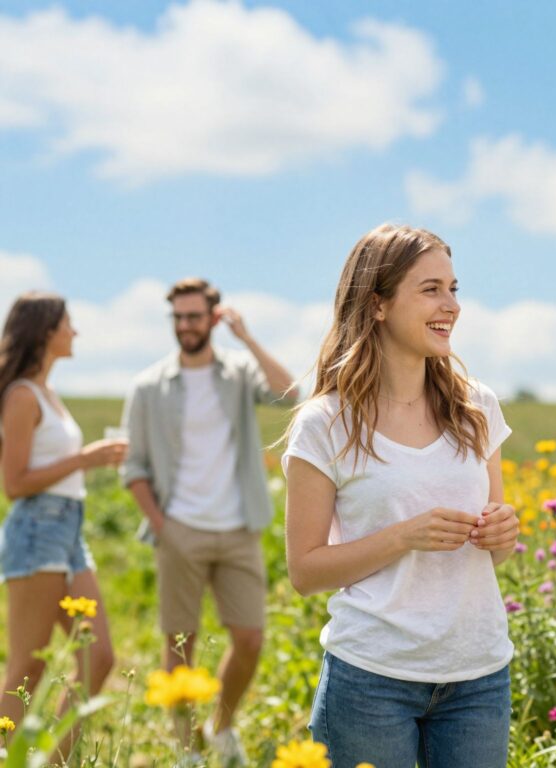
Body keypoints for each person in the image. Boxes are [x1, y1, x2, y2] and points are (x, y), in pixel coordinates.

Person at [283, 224, 519, 768]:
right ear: (378, 304)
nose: (451, 305)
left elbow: (497, 552)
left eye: (453, 288)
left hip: (478, 676)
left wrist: (503, 533)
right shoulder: (325, 424)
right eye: (431, 289)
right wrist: (404, 537)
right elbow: (305, 572)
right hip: (371, 680)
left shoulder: (477, 408)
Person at [121, 278, 295, 765]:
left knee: (250, 640)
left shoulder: (238, 372)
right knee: (181, 643)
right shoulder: (149, 386)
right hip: (179, 530)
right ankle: (186, 749)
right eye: (178, 317)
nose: (185, 326)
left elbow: (289, 393)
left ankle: (221, 727)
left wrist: (248, 338)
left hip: (240, 527)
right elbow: (133, 467)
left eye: (194, 316)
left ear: (213, 318)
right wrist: (161, 525)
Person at [0, 292, 125, 753]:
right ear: (45, 331)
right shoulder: (21, 396)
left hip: (68, 529)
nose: (75, 332)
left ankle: (51, 762)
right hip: (38, 529)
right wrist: (84, 459)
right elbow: (15, 484)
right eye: (68, 323)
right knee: (27, 667)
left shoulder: (47, 394)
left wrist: (86, 461)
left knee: (99, 657)